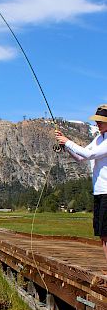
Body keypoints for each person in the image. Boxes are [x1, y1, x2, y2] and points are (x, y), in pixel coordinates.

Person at [55, 104, 107, 265]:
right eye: (97, 120)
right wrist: (66, 147)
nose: (97, 123)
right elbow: (81, 158)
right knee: (102, 234)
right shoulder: (98, 139)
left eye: (101, 120)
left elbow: (89, 154)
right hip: (99, 192)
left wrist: (68, 141)